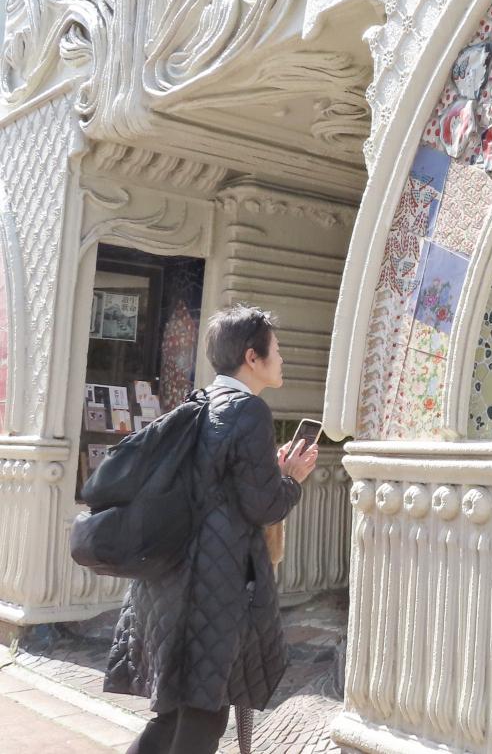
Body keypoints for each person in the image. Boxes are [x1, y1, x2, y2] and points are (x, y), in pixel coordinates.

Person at [104, 305, 319, 754]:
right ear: (252, 357)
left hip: (169, 580)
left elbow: (221, 489)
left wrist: (272, 471)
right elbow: (263, 506)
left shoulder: (199, 402)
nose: (282, 359)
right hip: (212, 588)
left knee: (174, 714)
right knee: (203, 716)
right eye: (276, 350)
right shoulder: (249, 411)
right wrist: (293, 479)